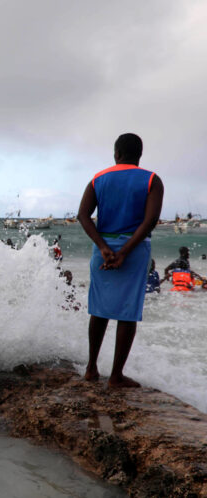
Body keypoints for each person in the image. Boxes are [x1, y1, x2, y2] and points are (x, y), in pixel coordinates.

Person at [77, 133, 163, 388]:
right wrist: (125, 251)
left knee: (99, 310)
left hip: (102, 248)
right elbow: (150, 221)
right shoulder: (151, 180)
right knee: (127, 312)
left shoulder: (98, 178)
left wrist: (104, 247)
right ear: (139, 155)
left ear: (117, 154)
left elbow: (82, 215)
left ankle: (91, 368)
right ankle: (116, 376)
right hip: (134, 250)